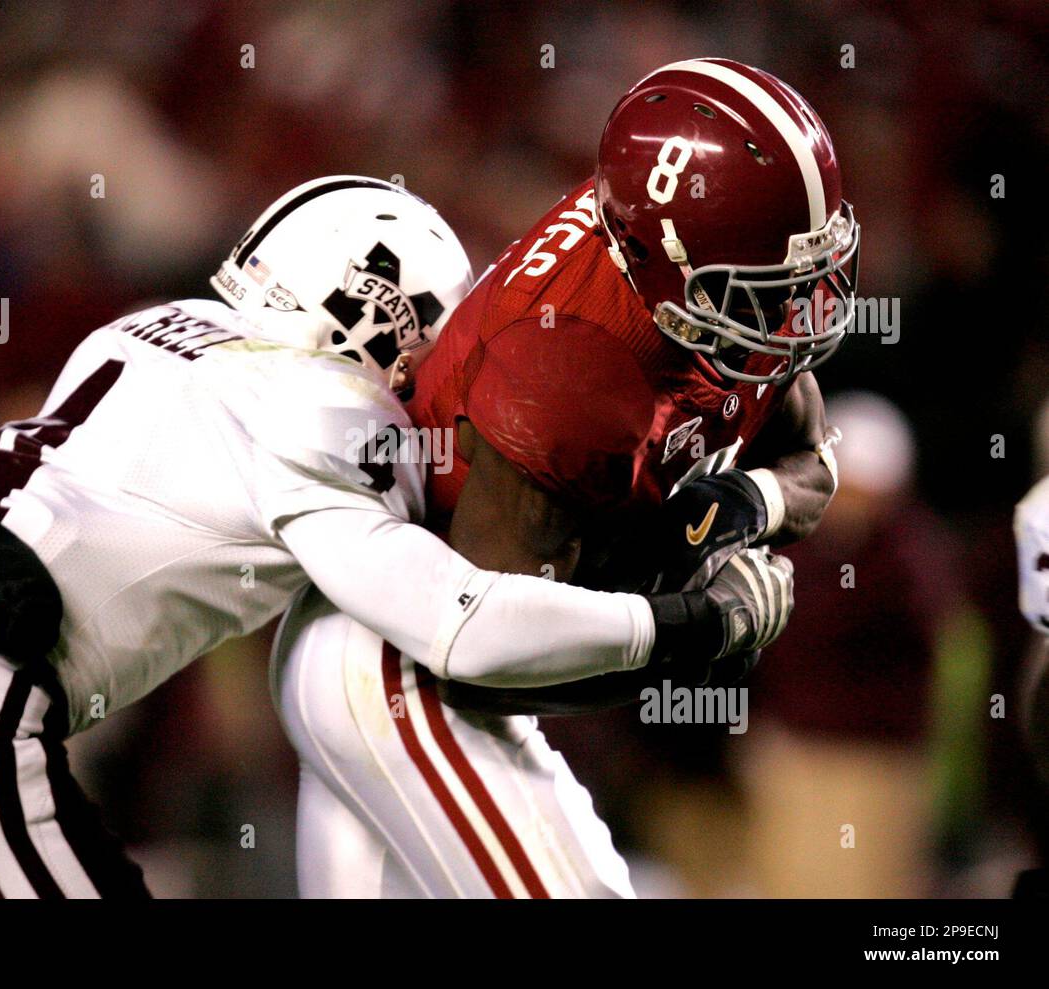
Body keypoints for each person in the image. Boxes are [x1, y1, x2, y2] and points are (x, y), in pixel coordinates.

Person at [0, 175, 787, 898]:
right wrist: (687, 622)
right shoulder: (328, 408)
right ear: (383, 311)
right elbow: (460, 627)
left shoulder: (145, 328)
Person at [272, 58, 859, 898]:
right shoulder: (567, 364)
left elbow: (812, 454)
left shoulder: (718, 299)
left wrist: (738, 508)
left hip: (428, 658)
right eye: (768, 287)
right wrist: (702, 625)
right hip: (405, 667)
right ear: (666, 262)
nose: (799, 311)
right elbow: (482, 652)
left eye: (802, 279)